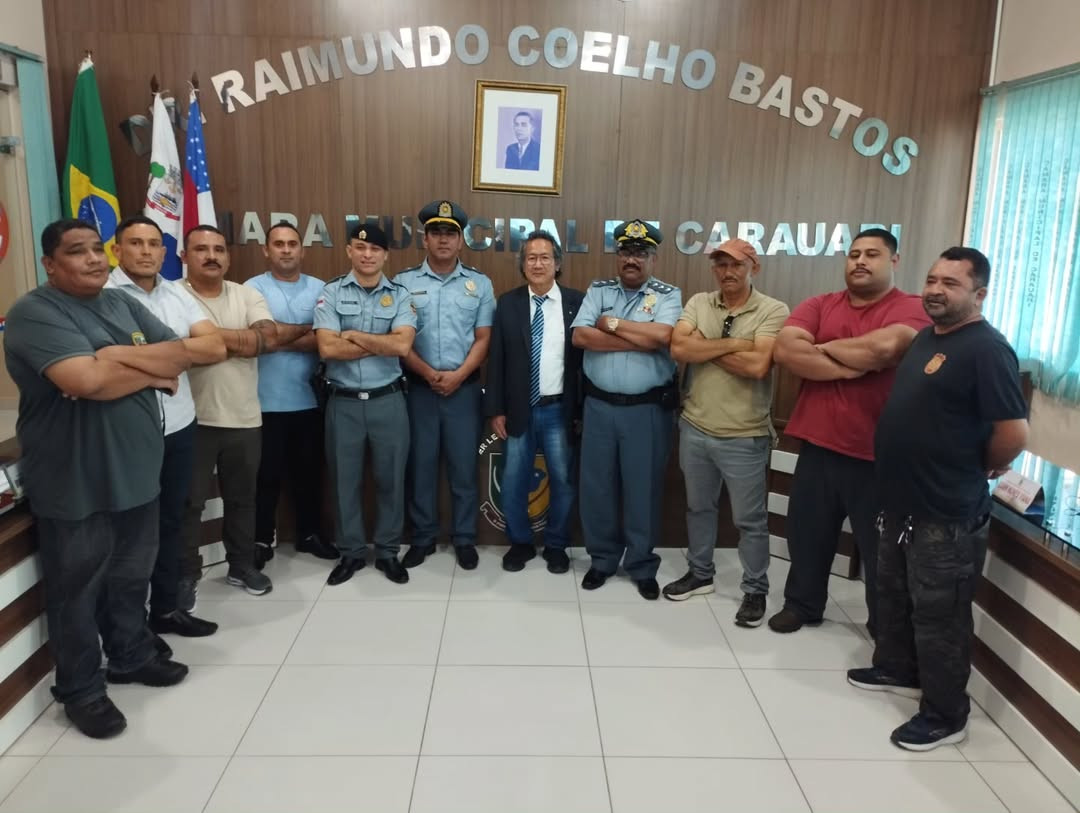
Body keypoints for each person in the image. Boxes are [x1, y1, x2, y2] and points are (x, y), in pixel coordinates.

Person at [5, 219, 190, 738]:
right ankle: (81, 689)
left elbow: (179, 353)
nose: (93, 259)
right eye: (76, 251)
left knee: (131, 575)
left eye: (96, 249)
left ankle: (131, 655)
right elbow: (84, 380)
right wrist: (149, 372)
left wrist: (115, 363)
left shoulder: (119, 303)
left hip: (137, 470)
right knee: (76, 591)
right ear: (49, 263)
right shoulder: (34, 312)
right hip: (74, 478)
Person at [848, 247, 1028, 751]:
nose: (935, 290)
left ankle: (946, 715)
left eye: (950, 283)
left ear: (979, 294)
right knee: (894, 594)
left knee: (940, 615)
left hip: (945, 510)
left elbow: (1013, 433)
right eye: (931, 280)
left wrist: (979, 465)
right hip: (901, 503)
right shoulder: (928, 337)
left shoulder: (987, 349)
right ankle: (898, 668)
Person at [767, 228, 930, 636]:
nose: (860, 261)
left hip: (877, 455)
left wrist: (821, 348)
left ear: (894, 260)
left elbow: (885, 349)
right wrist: (854, 364)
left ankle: (885, 629)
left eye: (872, 254)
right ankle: (802, 605)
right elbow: (785, 351)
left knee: (881, 551)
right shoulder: (820, 303)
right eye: (854, 253)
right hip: (818, 446)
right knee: (807, 536)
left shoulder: (911, 307)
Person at [106, 215, 225, 646]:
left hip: (178, 423)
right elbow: (100, 362)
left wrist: (144, 356)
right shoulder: (103, 297)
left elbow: (214, 346)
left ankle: (166, 610)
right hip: (128, 431)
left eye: (153, 243)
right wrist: (168, 361)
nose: (146, 251)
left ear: (164, 251)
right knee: (131, 531)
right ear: (116, 250)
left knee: (172, 520)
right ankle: (128, 629)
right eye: (135, 243)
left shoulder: (177, 293)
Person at [663, 239, 790, 627]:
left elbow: (757, 366)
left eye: (736, 264)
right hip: (695, 427)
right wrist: (736, 344)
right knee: (698, 508)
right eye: (720, 264)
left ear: (754, 267)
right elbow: (678, 349)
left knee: (749, 520)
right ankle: (700, 573)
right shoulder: (700, 302)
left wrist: (705, 345)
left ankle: (755, 589)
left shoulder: (773, 310)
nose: (727, 272)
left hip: (744, 435)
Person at [570, 219, 682, 600]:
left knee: (643, 489)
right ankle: (602, 560)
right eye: (626, 252)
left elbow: (663, 336)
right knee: (597, 487)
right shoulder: (598, 289)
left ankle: (641, 564)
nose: (632, 259)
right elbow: (580, 336)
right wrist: (638, 339)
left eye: (640, 253)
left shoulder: (668, 295)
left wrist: (611, 324)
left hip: (646, 411)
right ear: (618, 256)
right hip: (599, 407)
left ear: (653, 258)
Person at [314, 223, 417, 586]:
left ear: (386, 255)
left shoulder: (401, 295)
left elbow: (402, 346)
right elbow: (328, 348)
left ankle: (388, 552)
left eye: (375, 249)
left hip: (387, 400)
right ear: (349, 251)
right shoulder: (331, 292)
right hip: (342, 403)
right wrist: (381, 341)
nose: (368, 254)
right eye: (361, 248)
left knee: (391, 480)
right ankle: (352, 552)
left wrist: (355, 335)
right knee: (344, 482)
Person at [179, 225, 278, 601]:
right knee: (189, 503)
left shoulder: (246, 294)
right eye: (201, 249)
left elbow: (266, 339)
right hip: (191, 420)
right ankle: (185, 575)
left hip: (244, 417)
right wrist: (239, 339)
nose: (211, 256)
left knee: (243, 499)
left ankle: (241, 565)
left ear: (228, 256)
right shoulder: (173, 296)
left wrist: (203, 340)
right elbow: (167, 347)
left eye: (219, 249)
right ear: (184, 256)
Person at [396, 201, 495, 571]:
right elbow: (399, 339)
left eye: (450, 233)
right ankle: (423, 537)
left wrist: (459, 375)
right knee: (420, 466)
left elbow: (484, 338)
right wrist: (426, 372)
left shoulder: (479, 284)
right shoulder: (404, 282)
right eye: (436, 232)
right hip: (419, 390)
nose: (443, 239)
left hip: (463, 390)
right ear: (424, 239)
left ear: (460, 240)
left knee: (463, 468)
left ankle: (464, 537)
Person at [485, 230, 585, 574]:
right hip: (519, 408)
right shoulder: (508, 303)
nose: (538, 264)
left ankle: (556, 544)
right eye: (531, 258)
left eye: (545, 257)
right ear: (523, 265)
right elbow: (496, 360)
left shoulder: (577, 302)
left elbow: (584, 363)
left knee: (563, 480)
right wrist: (496, 409)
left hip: (560, 409)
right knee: (514, 479)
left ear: (557, 264)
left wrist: (581, 410)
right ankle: (521, 543)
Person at [245, 221, 338, 568]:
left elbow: (325, 341)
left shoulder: (320, 288)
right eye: (278, 244)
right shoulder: (252, 289)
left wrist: (278, 335)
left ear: (302, 250)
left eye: (292, 244)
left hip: (309, 401)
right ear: (266, 250)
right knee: (265, 476)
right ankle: (261, 539)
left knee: (309, 475)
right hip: (263, 401)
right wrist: (305, 331)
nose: (286, 250)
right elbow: (258, 338)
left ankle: (309, 535)